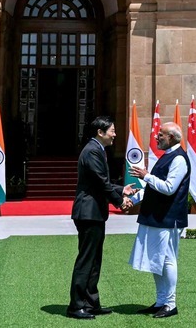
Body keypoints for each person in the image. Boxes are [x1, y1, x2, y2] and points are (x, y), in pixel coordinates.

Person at [126, 121, 190, 319]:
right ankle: (161, 301)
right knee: (157, 260)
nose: (156, 137)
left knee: (168, 260)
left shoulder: (179, 159)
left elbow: (169, 188)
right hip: (155, 216)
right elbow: (154, 187)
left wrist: (146, 176)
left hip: (168, 217)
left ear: (171, 137)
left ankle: (171, 304)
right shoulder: (167, 156)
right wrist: (133, 199)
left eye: (160, 135)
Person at [68, 116, 122, 320]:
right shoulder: (92, 150)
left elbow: (100, 181)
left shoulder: (97, 149)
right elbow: (100, 182)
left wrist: (120, 189)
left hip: (95, 213)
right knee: (86, 260)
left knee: (94, 260)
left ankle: (91, 303)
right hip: (88, 213)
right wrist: (119, 200)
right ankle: (76, 306)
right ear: (100, 132)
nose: (115, 134)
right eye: (112, 131)